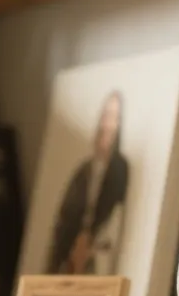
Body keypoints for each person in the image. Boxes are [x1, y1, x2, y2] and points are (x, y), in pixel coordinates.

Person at [47, 92, 129, 275]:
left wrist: (92, 240)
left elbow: (116, 217)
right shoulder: (83, 171)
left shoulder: (119, 168)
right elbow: (66, 217)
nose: (108, 124)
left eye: (114, 117)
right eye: (106, 116)